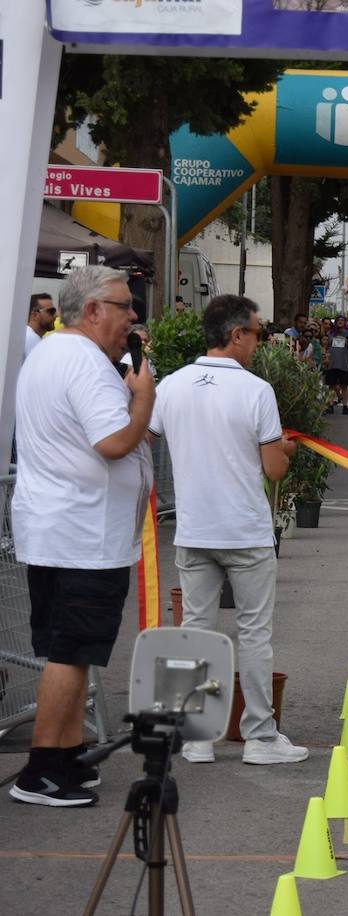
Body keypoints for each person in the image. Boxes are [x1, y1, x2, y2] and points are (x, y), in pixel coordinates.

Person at [8, 266, 154, 806]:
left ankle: (65, 756)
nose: (132, 316)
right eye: (124, 306)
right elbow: (114, 441)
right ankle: (42, 769)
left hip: (61, 526)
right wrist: (143, 396)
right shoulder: (85, 363)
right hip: (83, 533)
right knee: (70, 650)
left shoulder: (51, 352)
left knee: (66, 648)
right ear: (92, 310)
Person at [148, 295, 308, 766]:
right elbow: (274, 469)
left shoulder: (171, 386)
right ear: (236, 334)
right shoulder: (256, 391)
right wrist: (287, 448)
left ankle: (195, 736)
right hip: (244, 530)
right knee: (254, 632)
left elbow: (150, 440)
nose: (260, 342)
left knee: (194, 628)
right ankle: (258, 735)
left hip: (194, 527)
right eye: (257, 333)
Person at [324, 317, 348, 415]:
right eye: (338, 320)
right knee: (331, 386)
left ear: (345, 323)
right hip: (332, 363)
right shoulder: (330, 333)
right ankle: (330, 405)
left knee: (344, 386)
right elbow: (325, 345)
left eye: (342, 320)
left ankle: (345, 406)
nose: (340, 322)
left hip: (344, 364)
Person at [25, 293, 57, 358]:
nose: (55, 315)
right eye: (51, 311)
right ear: (35, 315)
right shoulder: (30, 338)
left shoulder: (32, 337)